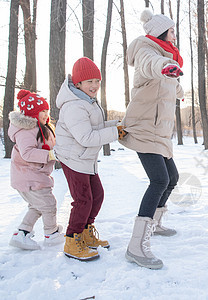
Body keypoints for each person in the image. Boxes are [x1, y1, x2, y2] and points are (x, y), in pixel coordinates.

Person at [118, 9, 184, 269]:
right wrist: (165, 67)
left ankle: (155, 224)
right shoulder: (148, 51)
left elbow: (169, 82)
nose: (174, 34)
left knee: (172, 178)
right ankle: (136, 246)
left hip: (159, 132)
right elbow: (151, 65)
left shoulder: (166, 57)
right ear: (159, 32)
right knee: (159, 180)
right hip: (144, 128)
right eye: (171, 30)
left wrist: (179, 89)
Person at [54, 57, 124, 261]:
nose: (94, 86)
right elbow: (86, 137)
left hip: (85, 159)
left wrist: (116, 124)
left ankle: (85, 232)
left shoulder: (88, 102)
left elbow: (95, 127)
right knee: (83, 200)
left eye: (97, 81)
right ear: (78, 84)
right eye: (89, 81)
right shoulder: (74, 106)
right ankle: (72, 240)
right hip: (73, 158)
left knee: (97, 195)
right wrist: (114, 133)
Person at [8, 90, 65, 250]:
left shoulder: (42, 127)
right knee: (48, 204)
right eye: (42, 111)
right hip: (29, 176)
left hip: (34, 175)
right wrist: (50, 154)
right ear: (33, 113)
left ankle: (22, 233)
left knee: (37, 206)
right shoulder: (26, 130)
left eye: (47, 110)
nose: (46, 114)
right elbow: (27, 153)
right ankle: (51, 234)